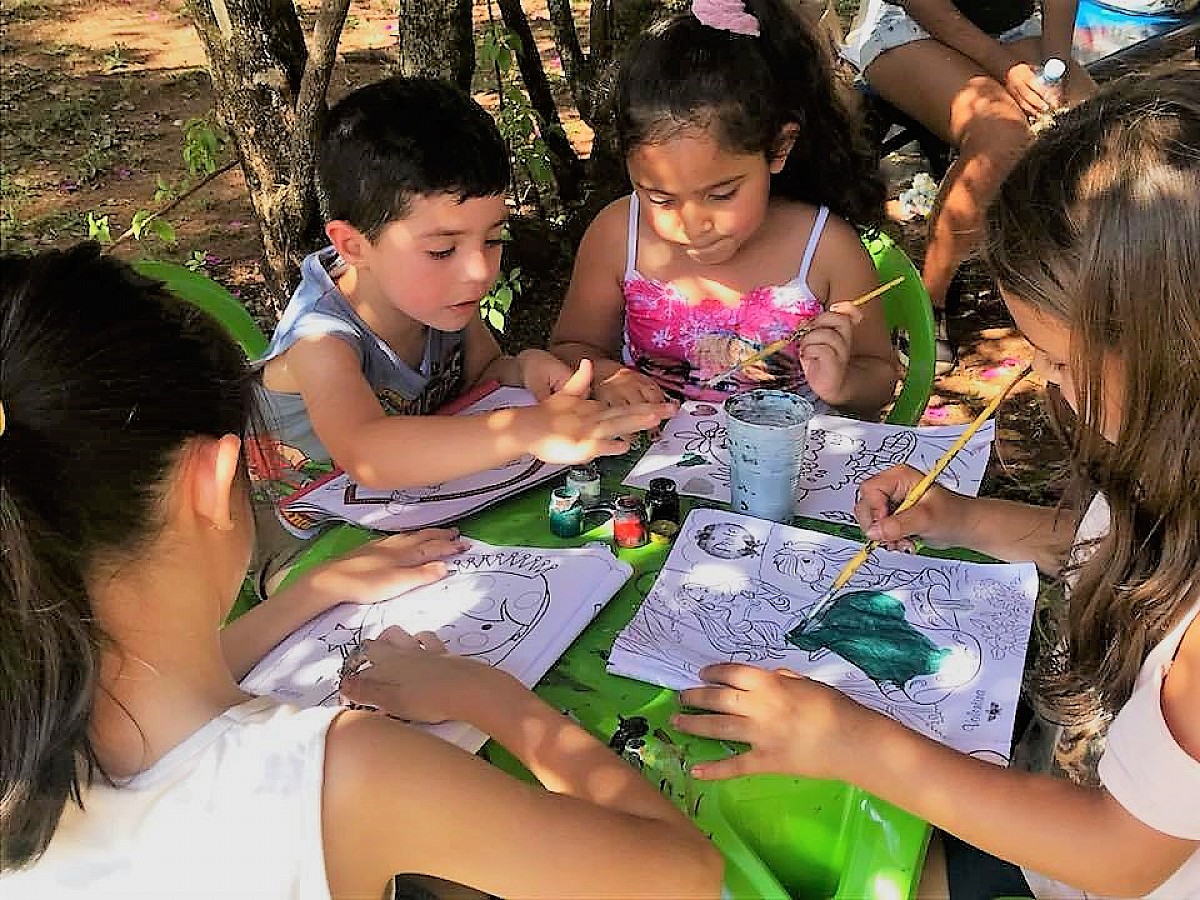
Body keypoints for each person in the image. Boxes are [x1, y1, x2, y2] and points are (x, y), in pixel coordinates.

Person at [0, 244, 724, 898]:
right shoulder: (344, 773)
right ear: (215, 480)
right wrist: (491, 698)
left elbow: (135, 678)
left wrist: (317, 588)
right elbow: (683, 876)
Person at [672, 67, 1200, 898]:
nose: (1043, 384)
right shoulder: (1175, 470)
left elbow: (1120, 857)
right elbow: (1126, 553)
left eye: (1060, 361)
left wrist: (852, 740)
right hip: (1048, 811)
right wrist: (964, 520)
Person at [257, 76, 676, 493]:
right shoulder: (319, 341)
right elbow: (368, 454)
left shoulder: (438, 295)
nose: (478, 270)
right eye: (442, 250)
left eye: (492, 239)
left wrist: (525, 367)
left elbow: (483, 375)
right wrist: (528, 429)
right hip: (296, 546)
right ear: (353, 245)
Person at [549, 0, 899, 420]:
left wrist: (842, 383)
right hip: (646, 474)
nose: (692, 225)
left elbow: (879, 379)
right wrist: (606, 376)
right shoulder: (616, 234)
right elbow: (570, 349)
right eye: (660, 198)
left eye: (721, 194)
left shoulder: (826, 249)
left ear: (779, 148)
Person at [843, 0, 1097, 371]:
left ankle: (1083, 292)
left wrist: (1054, 70)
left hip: (1015, 31)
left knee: (1096, 125)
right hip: (911, 28)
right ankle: (927, 302)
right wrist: (1006, 69)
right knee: (1000, 138)